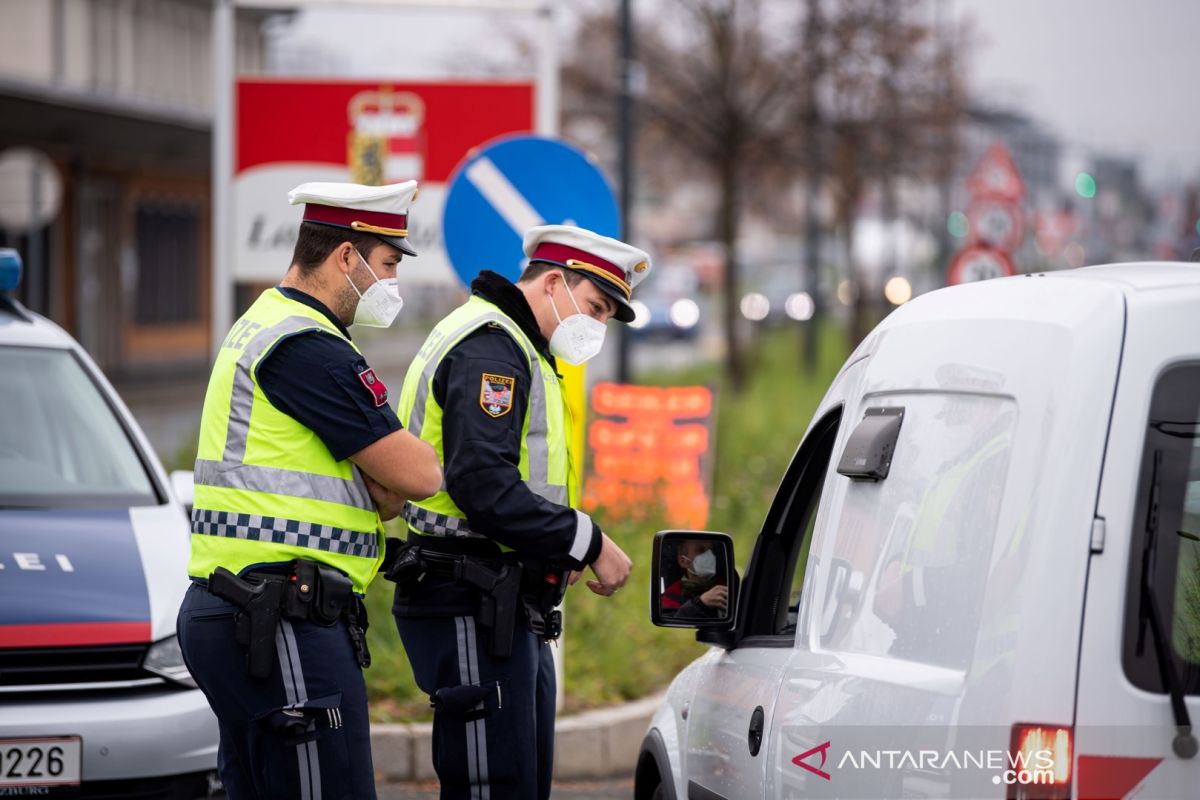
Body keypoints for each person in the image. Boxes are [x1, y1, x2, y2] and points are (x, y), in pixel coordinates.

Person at [177, 181, 443, 799]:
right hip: (280, 618)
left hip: (247, 611)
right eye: (386, 265)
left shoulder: (265, 326)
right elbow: (418, 477)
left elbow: (386, 495)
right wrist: (391, 473)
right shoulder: (308, 347)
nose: (391, 284)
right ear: (345, 257)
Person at [383, 225, 649, 799]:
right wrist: (587, 540)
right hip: (471, 601)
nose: (597, 327)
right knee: (493, 788)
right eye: (597, 308)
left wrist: (553, 544)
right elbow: (483, 484)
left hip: (499, 604)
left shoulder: (520, 346)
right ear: (555, 282)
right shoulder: (491, 347)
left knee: (518, 785)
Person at [661, 539, 728, 618]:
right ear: (683, 561)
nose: (710, 555)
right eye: (701, 550)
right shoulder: (670, 597)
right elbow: (673, 625)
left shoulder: (727, 588)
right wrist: (700, 603)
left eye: (711, 550)